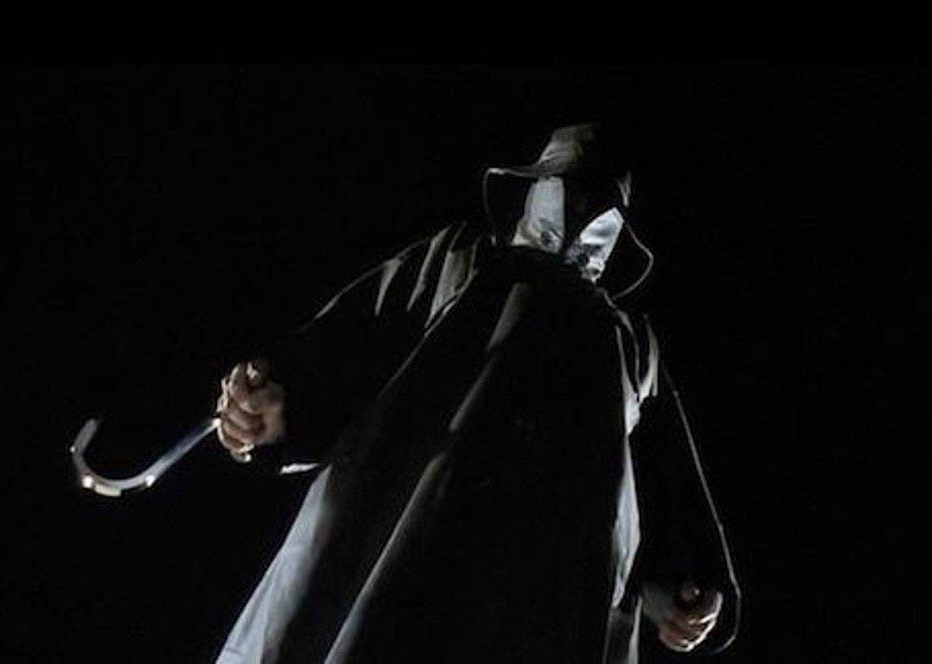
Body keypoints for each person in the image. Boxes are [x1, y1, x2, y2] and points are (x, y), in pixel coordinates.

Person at [213, 124, 740, 663]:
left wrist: (686, 592)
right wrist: (273, 405)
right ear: (532, 192)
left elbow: (667, 493)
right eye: (567, 193)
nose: (579, 213)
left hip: (535, 604)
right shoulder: (457, 265)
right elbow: (344, 347)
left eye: (596, 205)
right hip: (397, 558)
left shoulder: (631, 346)